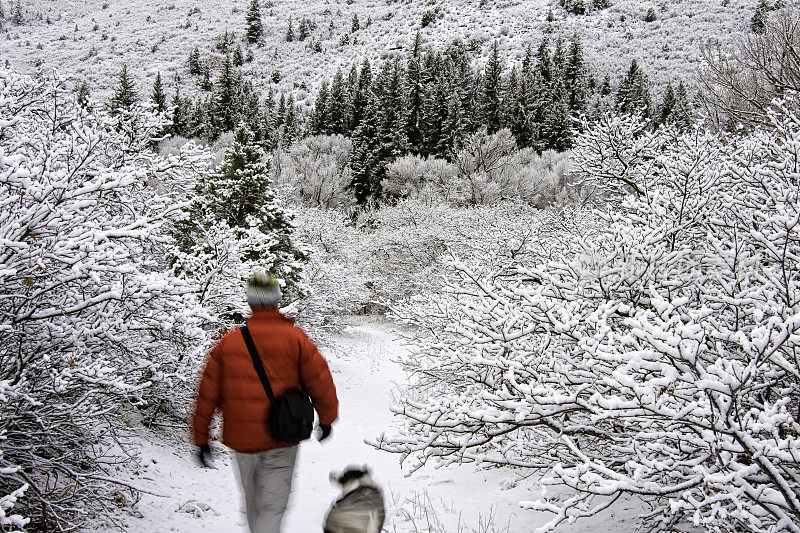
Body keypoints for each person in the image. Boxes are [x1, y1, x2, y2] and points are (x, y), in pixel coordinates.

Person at [191, 272, 339, 533]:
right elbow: (320, 380)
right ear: (276, 301)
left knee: (253, 504)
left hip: (242, 440)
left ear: (250, 303)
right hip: (282, 436)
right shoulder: (295, 338)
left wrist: (201, 438)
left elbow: (206, 393)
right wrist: (326, 420)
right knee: (273, 507)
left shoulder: (229, 342)